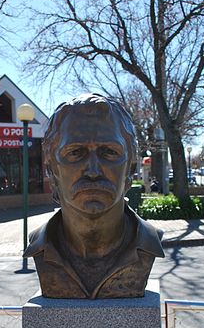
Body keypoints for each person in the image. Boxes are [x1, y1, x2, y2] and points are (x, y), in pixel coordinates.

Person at [24, 93, 164, 298]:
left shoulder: (149, 243)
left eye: (109, 152)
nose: (92, 170)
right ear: (51, 169)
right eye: (75, 152)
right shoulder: (39, 247)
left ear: (130, 167)